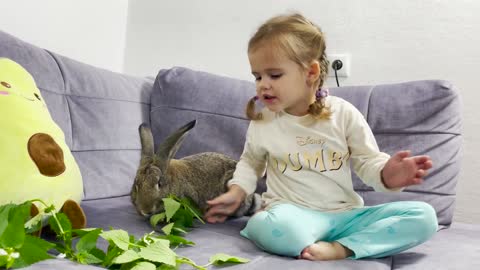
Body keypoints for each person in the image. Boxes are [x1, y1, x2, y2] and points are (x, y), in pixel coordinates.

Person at [204, 13, 438, 261]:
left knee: (424, 217)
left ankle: (343, 248)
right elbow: (251, 163)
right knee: (270, 226)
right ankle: (311, 241)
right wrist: (238, 191)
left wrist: (389, 175)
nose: (263, 84)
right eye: (257, 76)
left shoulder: (343, 113)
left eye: (274, 75)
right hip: (292, 216)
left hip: (346, 216)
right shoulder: (263, 122)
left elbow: (369, 162)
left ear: (311, 72)